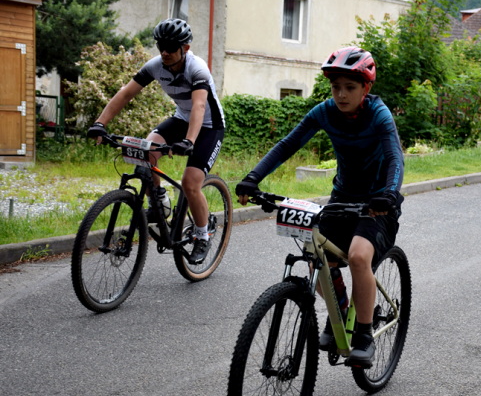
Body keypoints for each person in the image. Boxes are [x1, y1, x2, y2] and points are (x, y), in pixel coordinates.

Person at [235, 47, 404, 368]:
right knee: (316, 255)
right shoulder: (324, 112)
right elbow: (289, 143)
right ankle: (340, 313)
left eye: (350, 87)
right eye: (335, 87)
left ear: (366, 88)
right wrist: (253, 177)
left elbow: (395, 156)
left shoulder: (378, 114)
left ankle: (364, 335)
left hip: (378, 204)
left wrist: (390, 194)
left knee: (357, 256)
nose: (341, 94)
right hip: (342, 198)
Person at [87, 19, 225, 263]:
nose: (165, 52)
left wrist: (189, 141)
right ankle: (160, 201)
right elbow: (125, 93)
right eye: (161, 46)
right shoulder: (155, 66)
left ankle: (202, 236)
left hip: (209, 126)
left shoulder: (197, 68)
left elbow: (200, 106)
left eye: (171, 47)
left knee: (190, 182)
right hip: (182, 119)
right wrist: (100, 123)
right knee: (145, 153)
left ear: (186, 48)